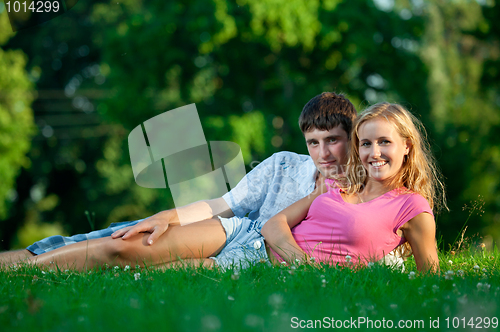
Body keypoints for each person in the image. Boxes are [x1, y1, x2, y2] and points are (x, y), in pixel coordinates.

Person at [1, 92, 362, 269]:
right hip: (221, 231)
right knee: (106, 237)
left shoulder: (359, 191)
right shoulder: (284, 164)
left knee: (125, 266)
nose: (323, 153)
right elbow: (222, 205)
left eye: (333, 140)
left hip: (246, 256)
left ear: (352, 137)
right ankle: (19, 268)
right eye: (313, 143)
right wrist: (167, 216)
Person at [262, 102, 446, 271]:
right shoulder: (340, 182)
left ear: (407, 146)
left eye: (384, 142)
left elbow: (429, 279)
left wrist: (308, 274)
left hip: (276, 273)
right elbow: (272, 225)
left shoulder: (411, 206)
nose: (374, 153)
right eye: (366, 144)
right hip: (254, 249)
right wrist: (304, 267)